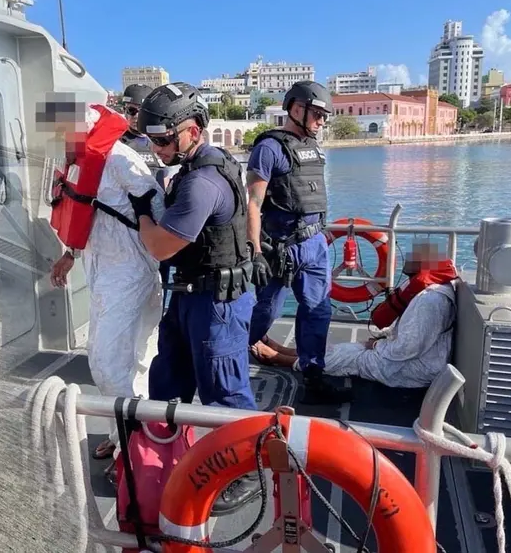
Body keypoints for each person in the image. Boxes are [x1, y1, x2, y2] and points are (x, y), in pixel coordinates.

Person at [126, 82, 261, 515]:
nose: (157, 148)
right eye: (151, 140)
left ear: (194, 131)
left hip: (217, 304)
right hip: (189, 296)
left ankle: (250, 472)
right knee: (167, 380)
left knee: (225, 393)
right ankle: (163, 456)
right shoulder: (195, 166)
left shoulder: (202, 181)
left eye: (164, 140)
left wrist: (143, 213)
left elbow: (160, 246)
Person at [42, 94, 164, 464]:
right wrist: (70, 253)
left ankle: (134, 447)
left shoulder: (120, 158)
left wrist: (161, 258)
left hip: (131, 272)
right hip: (104, 270)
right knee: (124, 361)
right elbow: (86, 212)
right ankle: (126, 436)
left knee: (109, 363)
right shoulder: (82, 160)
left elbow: (158, 209)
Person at [245, 81, 352, 405]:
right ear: (295, 109)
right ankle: (230, 354)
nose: (321, 121)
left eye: (324, 116)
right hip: (281, 247)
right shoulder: (269, 148)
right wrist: (256, 251)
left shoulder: (313, 148)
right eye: (317, 114)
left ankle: (313, 375)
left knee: (318, 311)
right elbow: (253, 203)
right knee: (266, 311)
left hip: (315, 244)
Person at [252, 241, 458, 389]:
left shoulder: (429, 301)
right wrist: (382, 340)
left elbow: (408, 349)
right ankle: (287, 351)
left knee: (346, 358)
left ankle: (279, 358)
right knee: (341, 348)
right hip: (410, 356)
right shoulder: (430, 290)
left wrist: (377, 346)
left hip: (413, 368)